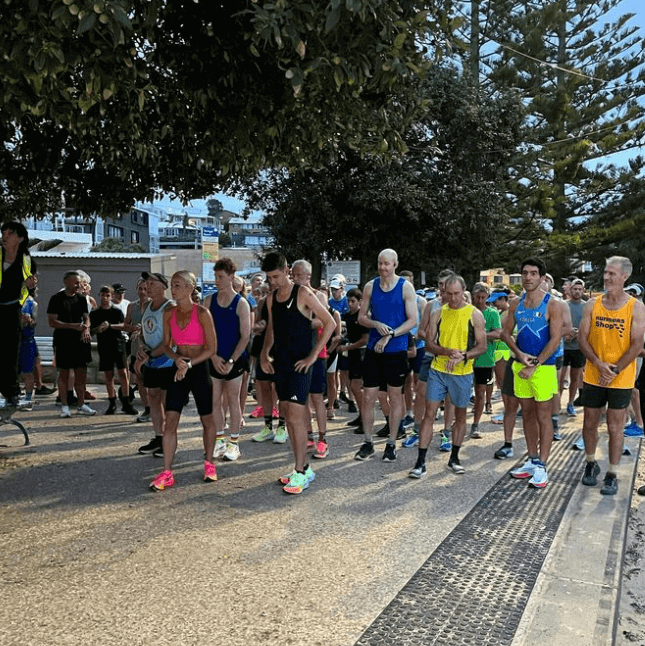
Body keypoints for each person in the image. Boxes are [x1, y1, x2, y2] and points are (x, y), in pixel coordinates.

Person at [260, 252, 335, 494]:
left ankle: (301, 471)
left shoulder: (303, 293)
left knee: (294, 417)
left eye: (276, 276)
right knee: (290, 417)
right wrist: (264, 354)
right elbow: (272, 327)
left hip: (301, 365)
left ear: (287, 270)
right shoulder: (271, 298)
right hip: (280, 363)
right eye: (269, 278)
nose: (273, 281)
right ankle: (301, 467)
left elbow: (330, 323)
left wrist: (313, 356)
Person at [578, 257, 645, 496]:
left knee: (616, 427)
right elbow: (582, 338)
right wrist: (597, 363)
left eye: (612, 274)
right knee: (589, 424)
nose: (607, 278)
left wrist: (614, 370)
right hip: (594, 374)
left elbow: (637, 344)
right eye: (605, 273)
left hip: (621, 377)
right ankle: (590, 463)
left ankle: (612, 473)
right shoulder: (592, 304)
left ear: (625, 276)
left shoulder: (635, 307)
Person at [409, 274, 486, 478]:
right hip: (439, 370)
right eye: (448, 294)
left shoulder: (475, 314)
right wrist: (446, 352)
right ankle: (420, 461)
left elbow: (482, 346)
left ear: (463, 291)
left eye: (456, 294)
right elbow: (429, 343)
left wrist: (464, 356)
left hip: (462, 373)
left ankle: (454, 457)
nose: (452, 298)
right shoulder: (438, 313)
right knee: (429, 413)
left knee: (460, 416)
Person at [149, 271, 218, 491]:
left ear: (190, 287)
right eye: (173, 285)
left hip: (198, 368)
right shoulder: (169, 313)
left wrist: (189, 363)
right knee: (170, 421)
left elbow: (212, 349)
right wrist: (178, 359)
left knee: (207, 419)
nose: (173, 289)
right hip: (179, 367)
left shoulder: (203, 313)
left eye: (178, 285)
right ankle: (167, 472)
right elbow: (167, 345)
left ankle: (209, 463)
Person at [501, 258, 563, 489]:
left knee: (543, 416)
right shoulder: (516, 303)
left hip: (543, 368)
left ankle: (543, 465)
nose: (528, 277)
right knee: (526, 414)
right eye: (525, 273)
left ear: (542, 277)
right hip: (521, 366)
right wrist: (519, 354)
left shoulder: (552, 304)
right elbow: (505, 333)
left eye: (534, 273)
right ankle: (532, 458)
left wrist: (535, 363)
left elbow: (556, 339)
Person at [355, 249, 418, 462]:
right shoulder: (370, 286)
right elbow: (362, 317)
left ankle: (391, 443)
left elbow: (412, 320)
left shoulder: (405, 287)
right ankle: (367, 442)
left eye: (387, 264)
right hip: (374, 350)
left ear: (395, 265)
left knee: (395, 396)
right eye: (380, 263)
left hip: (396, 351)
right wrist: (376, 324)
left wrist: (390, 333)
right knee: (368, 397)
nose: (383, 267)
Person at [205, 258, 251, 462]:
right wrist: (213, 357)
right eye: (215, 277)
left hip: (234, 360)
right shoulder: (208, 301)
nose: (217, 281)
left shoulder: (241, 303)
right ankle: (219, 440)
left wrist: (231, 360)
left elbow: (245, 336)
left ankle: (234, 443)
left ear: (231, 277)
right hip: (214, 359)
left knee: (233, 400)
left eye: (221, 277)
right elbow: (203, 334)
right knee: (214, 401)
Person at [135, 272, 174, 458]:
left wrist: (150, 354)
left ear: (163, 287)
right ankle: (158, 437)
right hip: (151, 361)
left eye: (152, 283)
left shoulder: (170, 307)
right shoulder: (146, 306)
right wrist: (141, 348)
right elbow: (143, 332)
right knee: (153, 397)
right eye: (146, 283)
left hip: (167, 361)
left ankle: (169, 439)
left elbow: (171, 340)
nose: (148, 286)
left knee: (167, 401)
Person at [47, 270, 96, 418]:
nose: (78, 285)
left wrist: (86, 328)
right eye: (75, 282)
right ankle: (64, 406)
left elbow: (86, 317)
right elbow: (52, 322)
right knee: (64, 374)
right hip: (63, 341)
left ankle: (81, 404)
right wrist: (73, 326)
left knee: (81, 373)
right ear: (66, 282)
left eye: (79, 282)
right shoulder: (56, 299)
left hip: (80, 341)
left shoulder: (81, 299)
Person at [0, 221, 37, 409]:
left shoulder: (26, 260)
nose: (4, 236)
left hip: (12, 309)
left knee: (9, 352)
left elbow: (30, 289)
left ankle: (11, 394)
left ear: (20, 237)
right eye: (3, 233)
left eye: (9, 233)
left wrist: (30, 288)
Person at [89, 286, 138, 415]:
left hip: (118, 345)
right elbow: (90, 330)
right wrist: (97, 329)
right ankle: (112, 402)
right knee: (108, 375)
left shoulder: (116, 312)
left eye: (108, 295)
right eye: (103, 295)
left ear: (111, 296)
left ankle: (126, 401)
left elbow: (124, 325)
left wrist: (110, 326)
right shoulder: (95, 313)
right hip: (104, 346)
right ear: (99, 296)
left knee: (123, 373)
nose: (105, 298)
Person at [469, 283, 502, 439]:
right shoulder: (467, 311)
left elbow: (498, 333)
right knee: (458, 392)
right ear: (473, 296)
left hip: (485, 358)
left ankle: (475, 424)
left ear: (488, 297)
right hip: (466, 358)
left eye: (483, 297)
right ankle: (455, 422)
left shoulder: (493, 313)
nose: (481, 300)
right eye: (478, 297)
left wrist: (481, 336)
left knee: (480, 392)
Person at [125, 278, 151, 422]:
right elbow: (125, 325)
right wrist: (134, 328)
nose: (142, 292)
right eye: (140, 289)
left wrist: (143, 329)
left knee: (152, 382)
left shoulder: (153, 306)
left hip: (151, 349)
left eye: (145, 289)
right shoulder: (131, 306)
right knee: (139, 379)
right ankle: (147, 409)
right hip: (136, 348)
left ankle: (156, 409)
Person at [560, 278, 587, 416]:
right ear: (570, 290)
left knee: (575, 378)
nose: (577, 291)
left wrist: (578, 334)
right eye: (574, 289)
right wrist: (565, 334)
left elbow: (589, 326)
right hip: (563, 346)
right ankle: (556, 404)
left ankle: (570, 403)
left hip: (578, 347)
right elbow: (556, 323)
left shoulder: (586, 306)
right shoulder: (563, 304)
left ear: (583, 291)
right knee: (560, 377)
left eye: (579, 289)